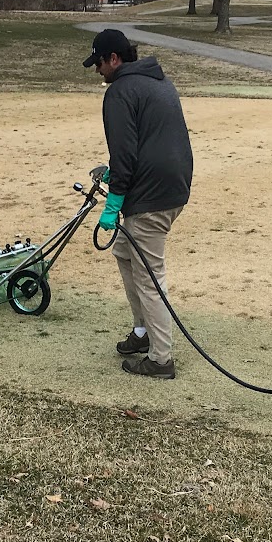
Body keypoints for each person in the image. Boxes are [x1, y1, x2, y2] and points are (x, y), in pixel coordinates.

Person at [83, 28, 194, 380]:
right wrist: (117, 175)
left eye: (99, 63)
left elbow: (125, 153)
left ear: (114, 59)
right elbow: (146, 141)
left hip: (150, 195)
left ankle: (160, 360)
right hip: (173, 187)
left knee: (149, 276)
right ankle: (143, 332)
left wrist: (114, 201)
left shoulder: (119, 92)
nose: (98, 71)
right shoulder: (159, 82)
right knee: (124, 252)